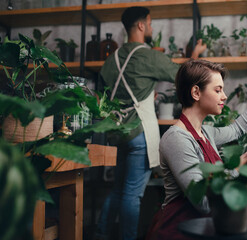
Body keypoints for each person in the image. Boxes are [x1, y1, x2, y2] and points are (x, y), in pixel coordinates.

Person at [146, 59, 247, 240]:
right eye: (218, 90)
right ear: (196, 92)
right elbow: (205, 202)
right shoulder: (176, 139)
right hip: (179, 232)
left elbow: (236, 130)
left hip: (204, 228)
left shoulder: (206, 133)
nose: (224, 96)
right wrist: (238, 166)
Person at [94, 6, 206, 240]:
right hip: (139, 133)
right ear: (141, 25)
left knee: (116, 191)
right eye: (151, 23)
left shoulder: (110, 60)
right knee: (132, 195)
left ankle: (101, 234)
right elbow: (184, 75)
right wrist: (194, 55)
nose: (152, 28)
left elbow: (102, 99)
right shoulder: (148, 55)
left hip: (117, 132)